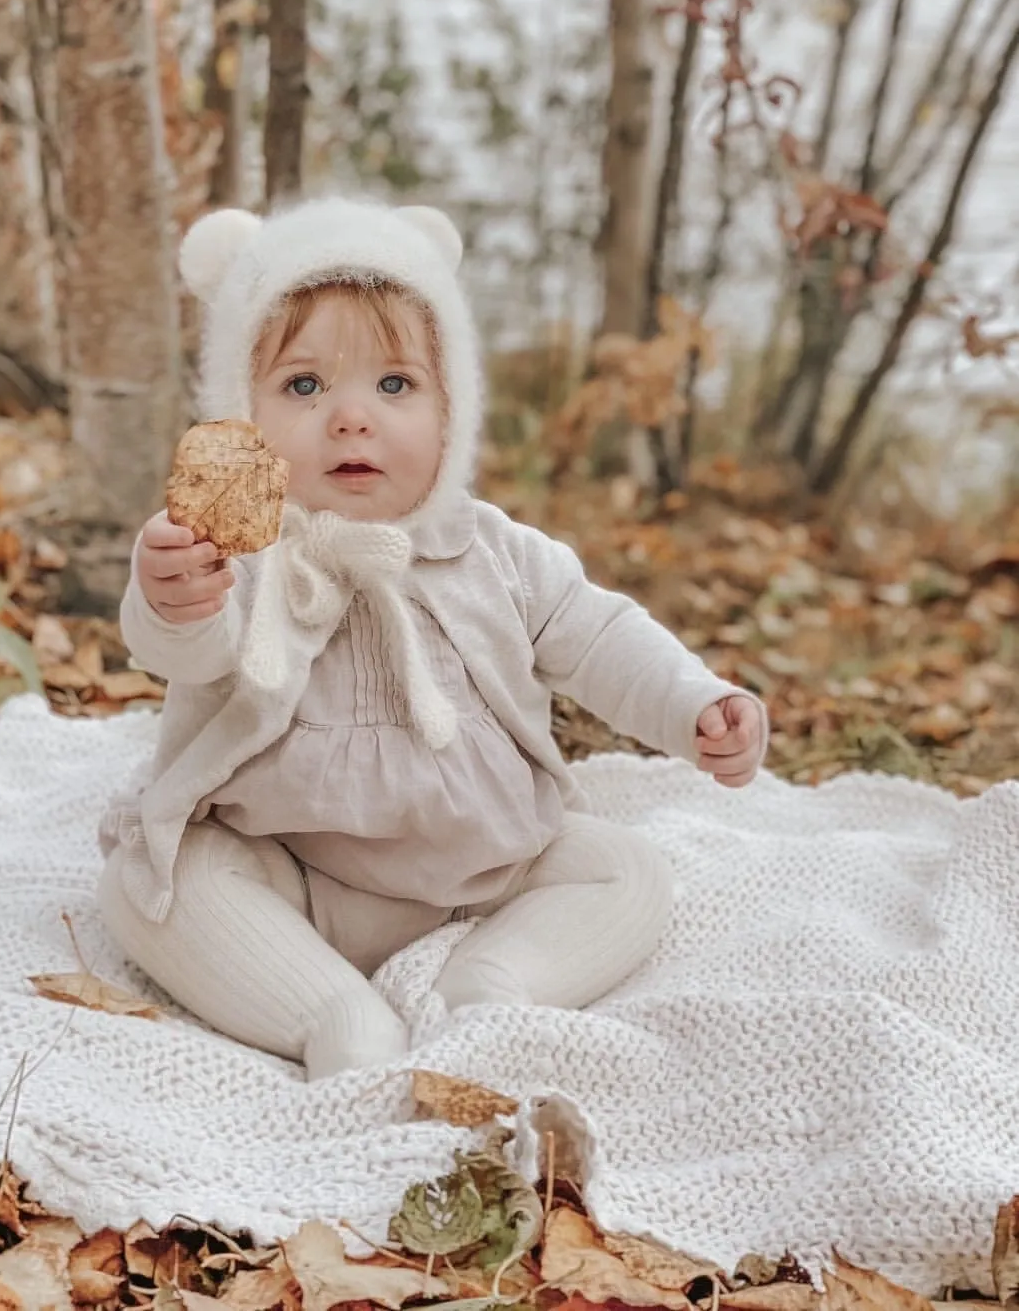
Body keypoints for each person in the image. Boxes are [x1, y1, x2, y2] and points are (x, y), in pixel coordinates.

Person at [98, 197, 767, 1080]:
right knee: (155, 885)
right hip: (289, 867)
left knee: (627, 872)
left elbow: (602, 635)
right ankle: (333, 1015)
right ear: (240, 415)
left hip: (486, 873)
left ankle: (496, 983)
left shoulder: (496, 552)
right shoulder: (241, 549)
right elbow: (189, 648)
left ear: (452, 411)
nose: (350, 417)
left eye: (395, 384)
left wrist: (693, 703)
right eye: (304, 385)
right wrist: (172, 597)